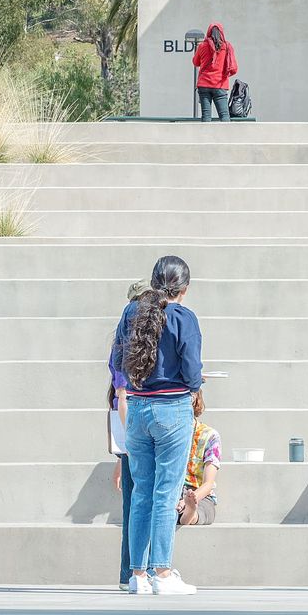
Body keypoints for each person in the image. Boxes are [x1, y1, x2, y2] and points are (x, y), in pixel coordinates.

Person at [111, 255, 203, 595]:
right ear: (185, 288)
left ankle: (138, 575)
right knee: (166, 493)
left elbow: (121, 360)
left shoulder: (130, 313)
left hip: (136, 408)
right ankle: (162, 573)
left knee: (142, 495)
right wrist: (194, 386)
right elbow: (192, 367)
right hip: (172, 408)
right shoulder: (183, 317)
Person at [109, 278, 149, 590]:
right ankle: (136, 571)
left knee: (134, 504)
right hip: (135, 425)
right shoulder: (132, 336)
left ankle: (130, 573)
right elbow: (123, 396)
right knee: (139, 502)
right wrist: (132, 442)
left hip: (130, 428)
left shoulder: (123, 344)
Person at [178, 391, 220, 526]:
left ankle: (191, 513)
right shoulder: (165, 436)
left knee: (206, 511)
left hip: (200, 495)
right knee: (167, 509)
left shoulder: (209, 435)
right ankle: (186, 514)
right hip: (173, 492)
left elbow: (208, 484)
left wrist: (190, 499)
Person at [192, 23, 238, 122]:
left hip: (204, 84)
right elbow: (233, 67)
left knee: (206, 115)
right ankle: (226, 137)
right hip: (220, 84)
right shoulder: (226, 46)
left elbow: (195, 62)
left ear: (208, 32)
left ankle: (205, 137)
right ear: (221, 33)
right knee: (224, 115)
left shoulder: (202, 46)